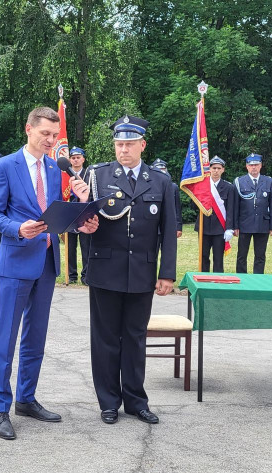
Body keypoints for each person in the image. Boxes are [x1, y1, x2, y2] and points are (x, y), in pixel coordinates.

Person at [0, 106, 92, 440]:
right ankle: (1, 408)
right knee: (6, 337)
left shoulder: (54, 167)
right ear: (28, 129)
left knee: (36, 338)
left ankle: (26, 398)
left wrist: (82, 214)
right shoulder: (5, 166)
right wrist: (19, 228)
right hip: (16, 262)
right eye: (46, 133)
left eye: (55, 135)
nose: (51, 140)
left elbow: (55, 215)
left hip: (47, 262)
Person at [85, 115, 174, 425]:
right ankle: (109, 401)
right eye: (119, 144)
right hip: (105, 269)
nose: (123, 149)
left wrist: (167, 273)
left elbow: (169, 229)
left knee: (135, 338)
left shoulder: (160, 181)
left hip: (141, 271)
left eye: (129, 144)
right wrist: (84, 224)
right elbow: (82, 220)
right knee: (106, 338)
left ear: (142, 145)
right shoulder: (96, 175)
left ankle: (136, 401)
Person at [233, 153, 272, 274]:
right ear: (246, 166)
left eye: (256, 165)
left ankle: (258, 279)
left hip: (262, 223)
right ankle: (242, 278)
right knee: (242, 255)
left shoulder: (268, 181)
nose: (254, 167)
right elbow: (235, 205)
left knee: (260, 255)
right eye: (251, 165)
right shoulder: (240, 181)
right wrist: (235, 225)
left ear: (261, 165)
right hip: (244, 223)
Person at [195, 157, 236, 272]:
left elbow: (231, 209)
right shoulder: (202, 186)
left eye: (219, 168)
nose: (216, 171)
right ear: (209, 169)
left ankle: (218, 283)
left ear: (223, 170)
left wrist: (229, 228)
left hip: (220, 228)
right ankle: (203, 281)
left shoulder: (229, 187)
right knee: (203, 256)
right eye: (214, 168)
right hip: (204, 227)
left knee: (218, 258)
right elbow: (193, 206)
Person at [67, 147, 93, 283]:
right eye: (73, 158)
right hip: (70, 214)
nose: (76, 160)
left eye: (78, 157)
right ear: (70, 160)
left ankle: (86, 275)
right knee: (70, 247)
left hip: (84, 215)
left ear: (83, 159)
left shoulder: (89, 175)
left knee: (86, 246)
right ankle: (71, 275)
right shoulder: (65, 175)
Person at [149, 158, 183, 237]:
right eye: (158, 170)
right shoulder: (149, 187)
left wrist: (178, 227)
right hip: (153, 227)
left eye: (163, 169)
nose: (161, 172)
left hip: (169, 225)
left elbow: (177, 208)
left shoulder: (173, 187)